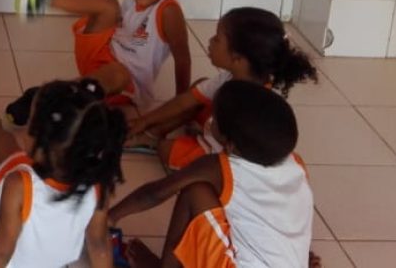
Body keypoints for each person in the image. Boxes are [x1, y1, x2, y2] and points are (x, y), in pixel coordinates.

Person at [0, 79, 127, 267]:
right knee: (14, 155)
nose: (23, 130)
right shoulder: (96, 184)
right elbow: (99, 245)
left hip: (1, 207)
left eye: (30, 124)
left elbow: (1, 251)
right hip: (29, 187)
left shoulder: (19, 184)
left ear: (45, 144)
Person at [108, 80, 314, 267]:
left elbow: (155, 193)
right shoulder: (297, 164)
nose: (209, 121)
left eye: (214, 119)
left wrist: (109, 216)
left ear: (230, 144)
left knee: (195, 191)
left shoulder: (219, 166)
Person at [12, 0, 191, 118]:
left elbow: (183, 59)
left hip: (126, 83)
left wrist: (181, 105)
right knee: (109, 4)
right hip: (101, 54)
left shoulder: (168, 11)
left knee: (116, 73)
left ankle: (50, 98)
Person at [128, 7, 318, 169]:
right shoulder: (231, 77)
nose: (210, 41)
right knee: (199, 89)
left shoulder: (254, 103)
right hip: (218, 129)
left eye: (217, 39)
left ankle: (162, 143)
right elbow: (187, 100)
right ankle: (155, 133)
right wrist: (145, 121)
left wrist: (204, 142)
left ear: (237, 58)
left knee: (165, 150)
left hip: (224, 157)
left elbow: (237, 152)